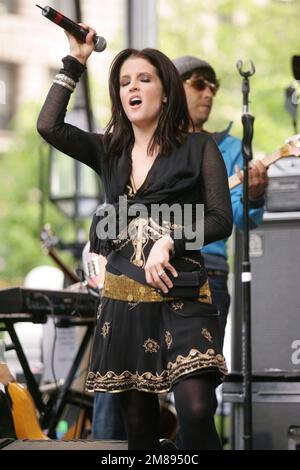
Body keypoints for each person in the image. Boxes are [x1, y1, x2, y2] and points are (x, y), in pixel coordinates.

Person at [37, 24, 233, 450]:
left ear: (166, 93)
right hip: (124, 303)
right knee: (140, 433)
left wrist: (170, 240)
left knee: (197, 412)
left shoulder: (198, 148)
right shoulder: (108, 150)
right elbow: (49, 125)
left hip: (182, 296)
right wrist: (76, 59)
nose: (133, 87)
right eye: (125, 82)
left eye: (144, 78)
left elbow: (220, 220)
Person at [173, 56, 269, 347]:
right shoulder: (148, 143)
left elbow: (243, 219)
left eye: (212, 87)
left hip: (208, 272)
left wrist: (254, 196)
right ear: (172, 90)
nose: (208, 94)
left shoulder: (229, 148)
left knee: (200, 378)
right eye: (199, 84)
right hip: (150, 270)